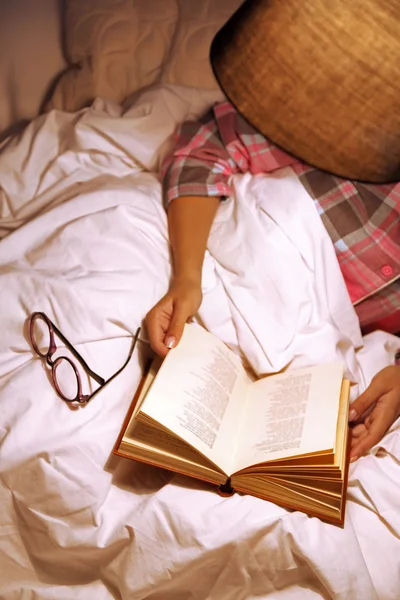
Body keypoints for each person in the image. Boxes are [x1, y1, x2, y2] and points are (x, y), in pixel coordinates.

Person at [145, 101, 400, 462]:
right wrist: (188, 277)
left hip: (322, 348)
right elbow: (206, 144)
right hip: (249, 242)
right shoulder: (359, 136)